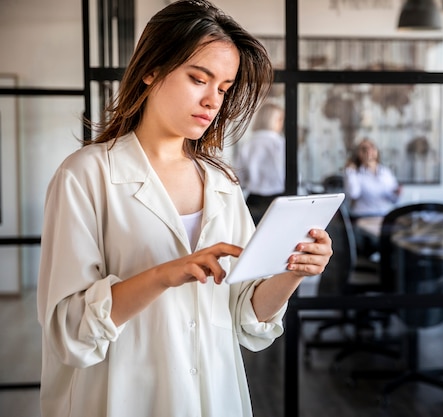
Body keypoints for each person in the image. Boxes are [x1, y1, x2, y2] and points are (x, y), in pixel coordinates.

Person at [36, 2, 332, 417]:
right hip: (120, 398)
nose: (213, 101)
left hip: (213, 395)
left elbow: (248, 317)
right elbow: (69, 330)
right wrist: (164, 273)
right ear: (151, 70)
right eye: (199, 79)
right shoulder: (85, 175)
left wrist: (293, 271)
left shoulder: (223, 184)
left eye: (224, 88)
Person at [343, 138, 400, 257]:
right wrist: (350, 171)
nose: (369, 151)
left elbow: (394, 200)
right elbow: (353, 193)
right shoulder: (355, 173)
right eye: (364, 149)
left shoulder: (385, 172)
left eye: (372, 147)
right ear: (358, 154)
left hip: (384, 217)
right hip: (363, 217)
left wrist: (396, 193)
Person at [234, 101, 285, 224]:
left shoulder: (247, 144)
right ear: (275, 120)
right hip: (279, 200)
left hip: (254, 202)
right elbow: (293, 176)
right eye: (281, 119)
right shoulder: (280, 144)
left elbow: (238, 177)